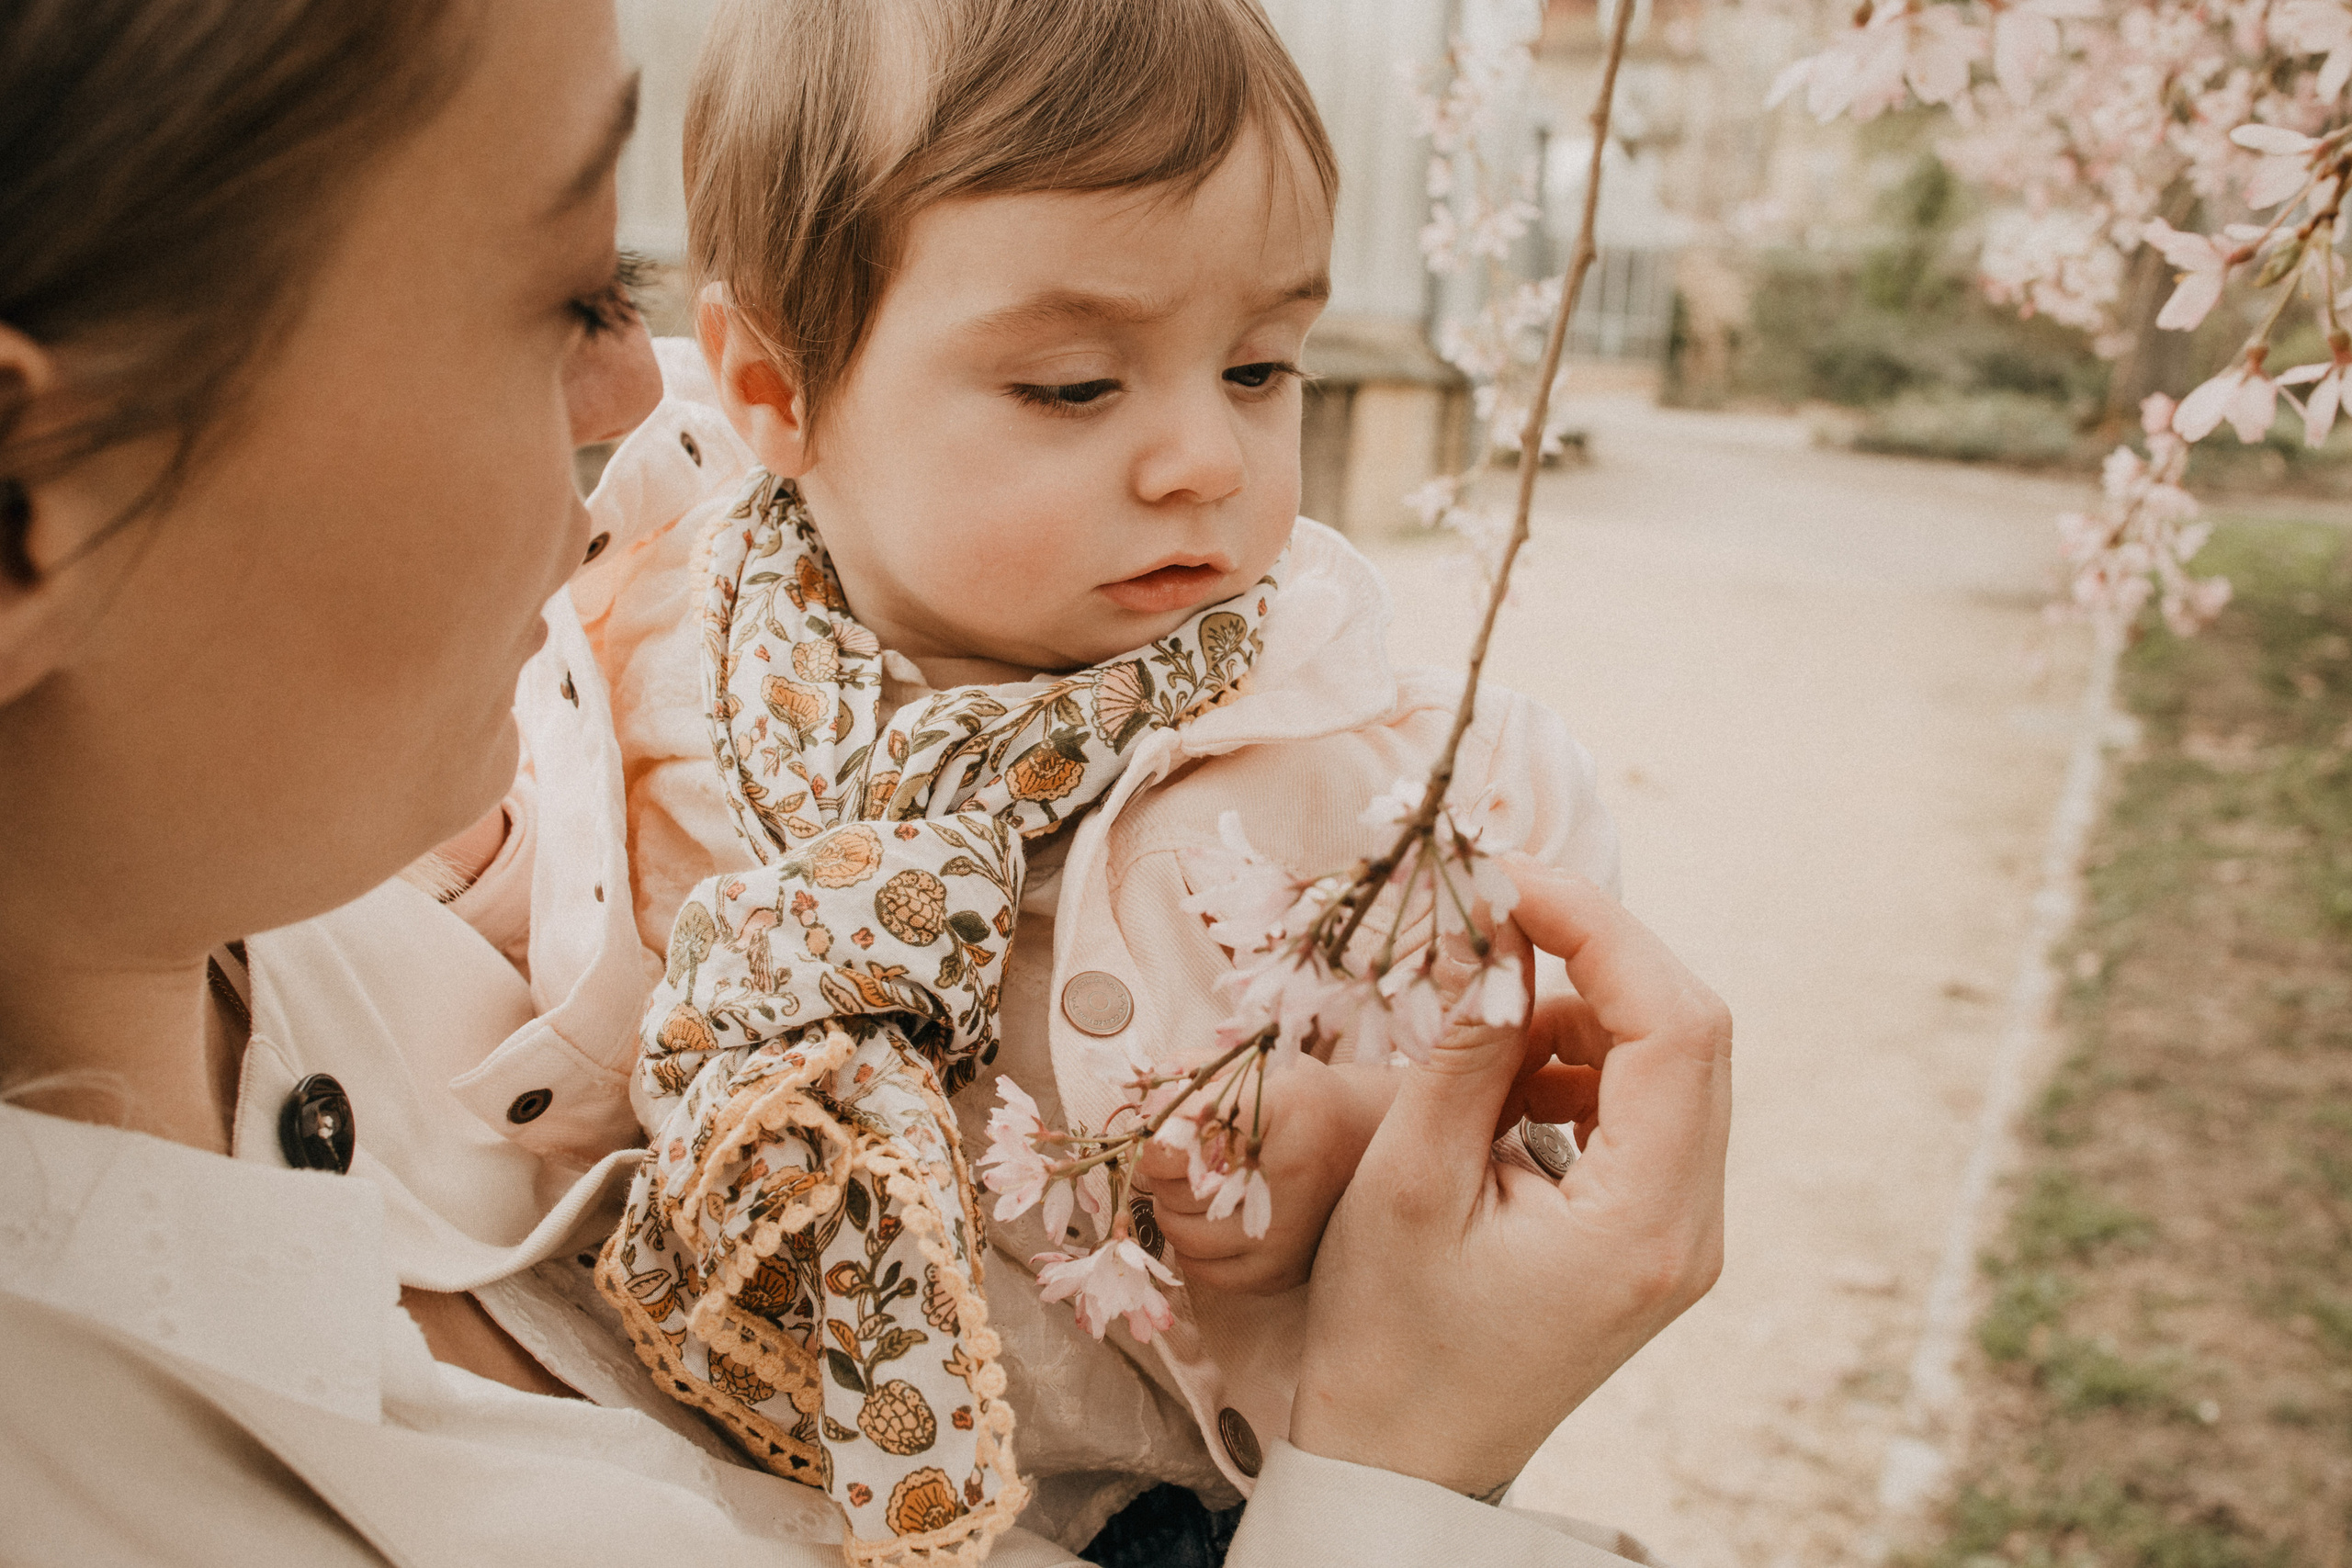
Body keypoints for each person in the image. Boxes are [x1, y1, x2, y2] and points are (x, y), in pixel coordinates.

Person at [0, 2, 1731, 1565]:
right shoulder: (656, 666)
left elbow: (1418, 1097)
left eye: (1264, 368)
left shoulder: (1338, 746)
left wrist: (1316, 1197)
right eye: (576, 290)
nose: (637, 388)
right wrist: (1403, 1474)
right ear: (28, 513)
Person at [534, 2, 1619, 1556]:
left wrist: (1357, 1140)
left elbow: (1533, 1101)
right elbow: (537, 1059)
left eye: (1257, 368)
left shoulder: (1372, 757)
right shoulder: (645, 670)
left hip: (1206, 1516)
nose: (1204, 460)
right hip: (734, 1484)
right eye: (1073, 387)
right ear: (773, 390)